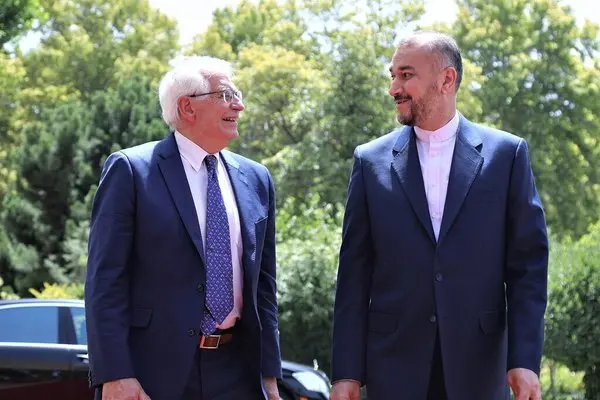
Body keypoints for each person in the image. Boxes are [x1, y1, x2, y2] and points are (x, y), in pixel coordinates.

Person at [330, 32, 548, 400]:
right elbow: (354, 274)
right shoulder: (369, 161)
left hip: (479, 369)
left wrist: (524, 359)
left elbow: (528, 266)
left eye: (406, 75)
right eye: (393, 75)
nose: (393, 88)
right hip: (394, 369)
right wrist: (346, 373)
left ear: (447, 79)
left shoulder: (506, 155)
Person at [85, 56, 282, 400]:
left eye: (237, 95)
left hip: (238, 373)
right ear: (187, 107)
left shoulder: (256, 178)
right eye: (225, 95)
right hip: (152, 375)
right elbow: (105, 282)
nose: (239, 105)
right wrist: (115, 374)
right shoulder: (130, 171)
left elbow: (264, 287)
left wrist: (269, 375)